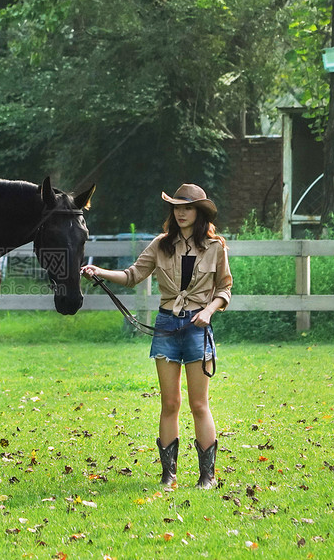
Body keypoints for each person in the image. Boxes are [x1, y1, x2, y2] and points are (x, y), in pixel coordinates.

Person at [80, 184, 232, 489]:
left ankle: (207, 476)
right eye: (176, 208)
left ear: (199, 212)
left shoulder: (215, 248)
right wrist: (102, 272)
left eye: (187, 208)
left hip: (197, 329)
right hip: (166, 326)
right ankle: (169, 474)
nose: (181, 213)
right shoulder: (161, 244)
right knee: (170, 403)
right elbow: (133, 275)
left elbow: (224, 289)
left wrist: (209, 311)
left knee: (199, 404)